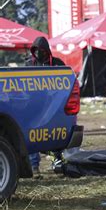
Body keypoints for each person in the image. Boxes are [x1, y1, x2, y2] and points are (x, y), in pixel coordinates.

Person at [26, 36, 65, 178]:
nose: (38, 53)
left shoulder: (57, 63)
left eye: (41, 50)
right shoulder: (29, 64)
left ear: (47, 50)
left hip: (54, 105)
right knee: (32, 135)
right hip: (34, 105)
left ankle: (58, 163)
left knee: (55, 134)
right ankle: (34, 166)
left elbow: (65, 81)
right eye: (36, 50)